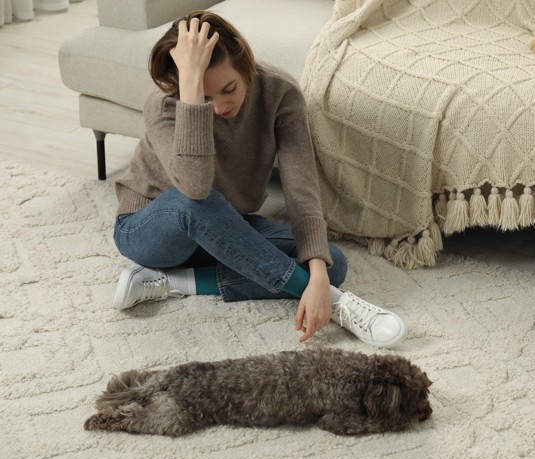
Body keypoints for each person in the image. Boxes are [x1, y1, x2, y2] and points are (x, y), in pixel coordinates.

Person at [110, 11, 406, 348]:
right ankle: (340, 305)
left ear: (246, 62)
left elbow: (301, 189)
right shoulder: (165, 104)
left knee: (330, 264)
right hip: (151, 231)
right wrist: (190, 91)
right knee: (192, 200)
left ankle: (175, 283)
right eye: (206, 99)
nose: (219, 107)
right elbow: (195, 188)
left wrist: (320, 275)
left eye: (228, 89)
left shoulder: (279, 92)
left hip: (222, 228)